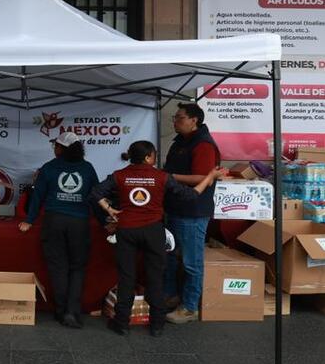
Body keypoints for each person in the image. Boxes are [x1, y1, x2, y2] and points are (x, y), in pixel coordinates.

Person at [90, 140, 224, 337]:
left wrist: (109, 209)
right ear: (147, 157)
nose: (155, 157)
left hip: (127, 231)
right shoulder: (162, 176)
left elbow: (95, 192)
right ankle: (157, 325)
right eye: (153, 154)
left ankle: (122, 323)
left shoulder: (119, 175)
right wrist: (210, 177)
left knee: (126, 277)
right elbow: (191, 195)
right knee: (155, 277)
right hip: (153, 231)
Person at [18, 131, 100, 329]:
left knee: (58, 267)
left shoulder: (49, 167)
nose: (54, 148)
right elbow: (96, 197)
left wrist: (29, 220)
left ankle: (61, 311)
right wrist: (104, 221)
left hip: (54, 222)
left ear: (61, 149)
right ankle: (72, 312)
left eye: (56, 145)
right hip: (79, 223)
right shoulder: (87, 168)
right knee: (77, 267)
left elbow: (38, 196)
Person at [162, 102, 223, 325]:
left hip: (193, 212)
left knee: (191, 262)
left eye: (179, 118)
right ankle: (170, 297)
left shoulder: (203, 145)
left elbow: (202, 178)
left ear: (194, 120)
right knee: (170, 257)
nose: (175, 122)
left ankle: (189, 307)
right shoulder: (180, 141)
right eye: (175, 118)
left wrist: (169, 177)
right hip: (174, 208)